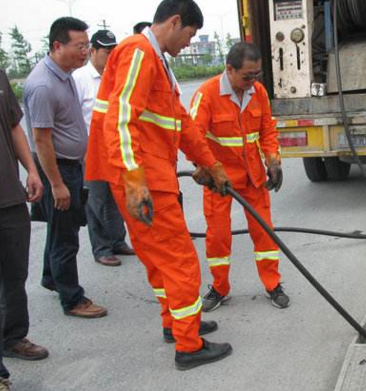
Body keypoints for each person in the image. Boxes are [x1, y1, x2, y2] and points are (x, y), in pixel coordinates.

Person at [85, 0, 232, 370]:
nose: (189, 43)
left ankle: (178, 323)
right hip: (145, 179)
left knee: (159, 260)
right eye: (191, 35)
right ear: (176, 21)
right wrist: (133, 179)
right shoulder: (139, 51)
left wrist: (210, 163)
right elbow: (120, 117)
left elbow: (179, 121)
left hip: (147, 178)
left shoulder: (157, 61)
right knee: (180, 260)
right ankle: (189, 345)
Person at [190, 42, 289, 312]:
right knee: (219, 236)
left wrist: (273, 161)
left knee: (264, 233)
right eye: (248, 76)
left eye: (257, 75)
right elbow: (192, 137)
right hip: (219, 180)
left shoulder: (258, 92)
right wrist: (204, 167)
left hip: (253, 177)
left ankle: (272, 284)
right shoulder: (207, 94)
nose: (253, 81)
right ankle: (219, 288)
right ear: (230, 69)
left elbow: (267, 130)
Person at [23, 17, 107, 318]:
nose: (85, 51)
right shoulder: (44, 85)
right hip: (58, 168)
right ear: (57, 46)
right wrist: (56, 184)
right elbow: (41, 140)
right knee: (65, 237)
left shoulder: (64, 74)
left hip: (70, 165)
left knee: (62, 229)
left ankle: (51, 277)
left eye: (86, 45)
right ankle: (72, 299)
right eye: (80, 45)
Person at [0, 69, 48, 390]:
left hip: (9, 196)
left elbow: (14, 125)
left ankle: (13, 337)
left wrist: (31, 168)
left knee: (15, 275)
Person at [73, 29, 135, 267]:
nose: (111, 55)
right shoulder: (80, 79)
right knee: (96, 201)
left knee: (117, 197)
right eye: (107, 51)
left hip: (115, 148)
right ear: (93, 51)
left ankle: (118, 240)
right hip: (92, 151)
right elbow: (75, 117)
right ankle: (101, 248)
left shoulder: (117, 76)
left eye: (114, 50)